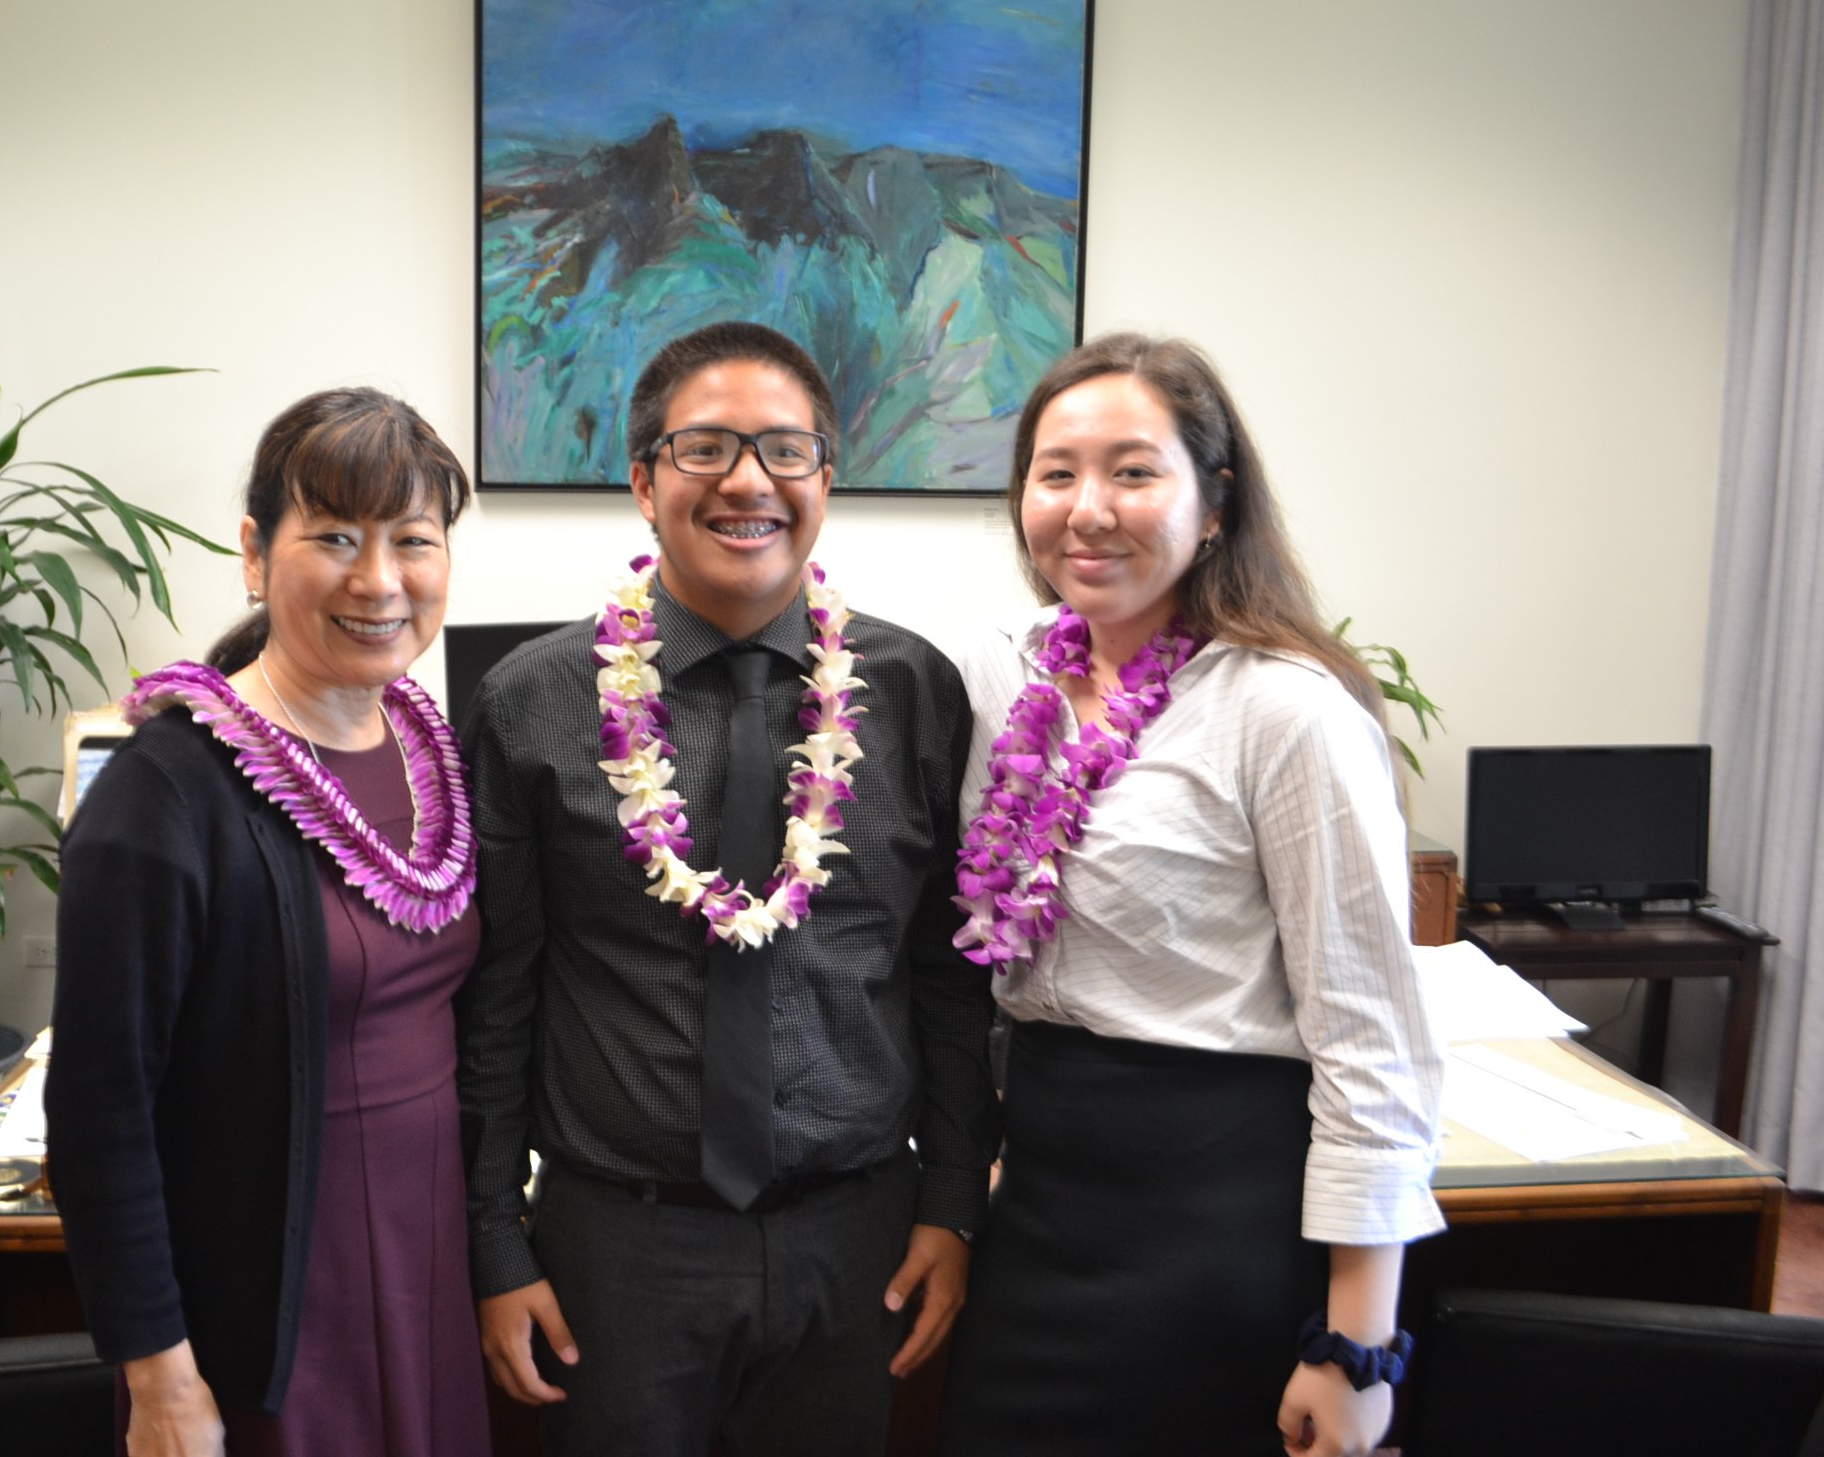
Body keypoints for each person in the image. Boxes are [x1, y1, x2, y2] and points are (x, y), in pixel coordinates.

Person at [457, 321, 1001, 1456]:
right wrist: (496, 1245)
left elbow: (949, 980)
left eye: (785, 450)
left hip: (860, 1244)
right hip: (617, 1249)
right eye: (705, 448)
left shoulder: (913, 692)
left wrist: (952, 1203)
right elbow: (498, 995)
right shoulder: (530, 700)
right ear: (645, 482)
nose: (749, 480)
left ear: (825, 481)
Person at [936, 333, 1445, 1457]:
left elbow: (1372, 1042)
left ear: (1215, 503)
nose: (1088, 507)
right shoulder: (1001, 675)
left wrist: (1356, 1347)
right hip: (1039, 1206)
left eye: (1133, 471)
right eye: (1056, 472)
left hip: (1213, 1218)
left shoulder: (1286, 710)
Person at [45, 388, 491, 1457]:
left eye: (412, 541)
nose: (379, 581)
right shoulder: (163, 793)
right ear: (256, 551)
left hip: (427, 1264)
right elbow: (99, 1116)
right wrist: (160, 1383)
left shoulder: (434, 751)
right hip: (269, 1304)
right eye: (334, 537)